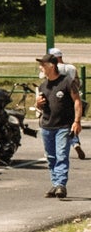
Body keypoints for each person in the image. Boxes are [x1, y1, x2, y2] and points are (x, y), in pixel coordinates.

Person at [36, 52, 83, 199]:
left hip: (63, 126)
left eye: (43, 65)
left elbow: (77, 101)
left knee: (61, 155)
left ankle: (61, 184)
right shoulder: (43, 86)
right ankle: (55, 183)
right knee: (51, 157)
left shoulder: (67, 82)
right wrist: (37, 104)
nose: (40, 67)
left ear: (52, 66)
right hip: (47, 126)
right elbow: (40, 108)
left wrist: (77, 121)